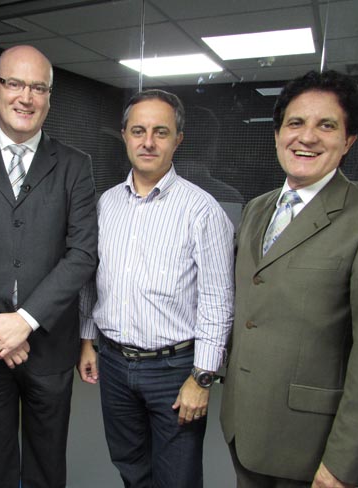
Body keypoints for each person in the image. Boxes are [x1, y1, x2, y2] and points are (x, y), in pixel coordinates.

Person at [220, 70, 358, 488]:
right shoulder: (257, 209)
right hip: (245, 430)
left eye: (326, 125)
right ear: (277, 134)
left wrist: (344, 465)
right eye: (295, 123)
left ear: (349, 140)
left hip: (314, 452)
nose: (306, 137)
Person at [0, 45, 98, 488]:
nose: (26, 97)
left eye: (38, 88)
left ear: (48, 97)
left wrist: (24, 321)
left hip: (49, 345)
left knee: (48, 464)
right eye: (15, 84)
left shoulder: (75, 165)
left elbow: (83, 253)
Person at [79, 89, 235, 488]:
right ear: (125, 136)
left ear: (177, 139)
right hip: (113, 363)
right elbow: (92, 278)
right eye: (138, 131)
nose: (148, 142)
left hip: (174, 371)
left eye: (160, 132)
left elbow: (218, 301)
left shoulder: (203, 211)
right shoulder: (105, 205)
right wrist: (87, 341)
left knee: (177, 478)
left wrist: (202, 377)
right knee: (131, 468)